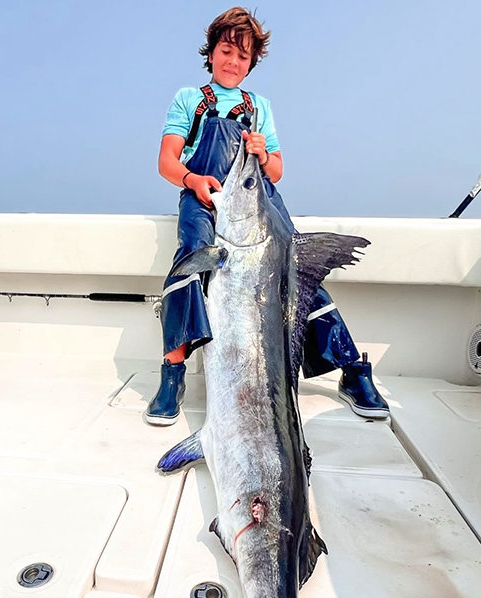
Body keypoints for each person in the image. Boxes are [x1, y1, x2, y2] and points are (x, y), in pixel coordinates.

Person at [145, 7, 389, 426]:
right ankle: (173, 374)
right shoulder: (189, 99)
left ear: (252, 63)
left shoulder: (259, 106)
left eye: (242, 57)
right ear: (211, 53)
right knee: (189, 261)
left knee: (297, 272)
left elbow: (276, 171)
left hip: (259, 203)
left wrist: (262, 153)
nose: (232, 62)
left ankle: (351, 369)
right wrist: (192, 178)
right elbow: (167, 162)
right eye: (226, 51)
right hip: (203, 197)